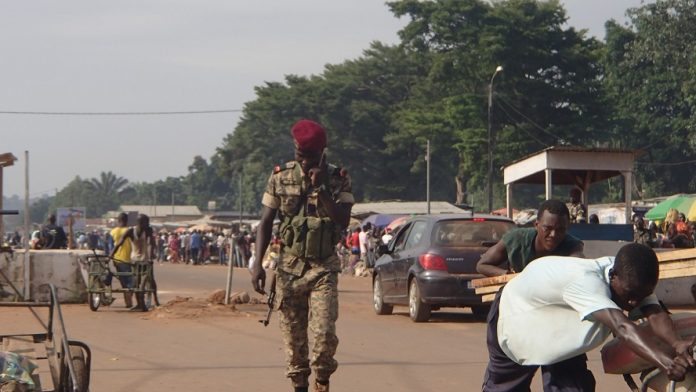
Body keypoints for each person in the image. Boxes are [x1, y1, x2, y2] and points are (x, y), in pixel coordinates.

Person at [482, 243, 696, 391]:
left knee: (574, 388)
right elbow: (623, 328)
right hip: (516, 315)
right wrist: (665, 363)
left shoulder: (634, 276)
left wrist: (677, 343)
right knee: (507, 387)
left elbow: (656, 314)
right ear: (613, 276)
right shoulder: (587, 283)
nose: (634, 303)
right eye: (630, 296)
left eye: (640, 296)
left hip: (566, 323)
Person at [251, 119, 354, 392]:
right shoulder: (279, 177)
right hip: (289, 269)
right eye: (300, 155)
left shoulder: (338, 179)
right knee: (294, 344)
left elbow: (343, 220)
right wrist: (257, 265)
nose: (304, 162)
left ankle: (322, 382)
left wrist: (321, 189)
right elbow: (265, 223)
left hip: (323, 268)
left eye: (309, 157)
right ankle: (300, 387)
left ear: (322, 152)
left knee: (323, 337)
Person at [477, 199, 584, 277]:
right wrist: (508, 276)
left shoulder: (573, 245)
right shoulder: (516, 239)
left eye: (560, 230)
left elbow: (578, 263)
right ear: (536, 225)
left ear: (567, 228)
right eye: (547, 228)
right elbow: (482, 265)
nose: (553, 234)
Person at [111, 214, 157, 312]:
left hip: (146, 259)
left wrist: (150, 257)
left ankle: (156, 300)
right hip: (135, 259)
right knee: (136, 282)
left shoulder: (148, 230)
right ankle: (139, 304)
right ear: (141, 223)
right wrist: (111, 255)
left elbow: (150, 244)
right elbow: (119, 243)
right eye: (146, 222)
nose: (148, 224)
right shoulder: (130, 231)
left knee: (151, 279)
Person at [110, 212, 135, 308]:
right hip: (126, 258)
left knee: (123, 280)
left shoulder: (113, 231)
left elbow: (110, 245)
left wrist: (110, 255)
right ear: (126, 220)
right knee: (130, 281)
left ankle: (127, 301)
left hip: (116, 258)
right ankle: (128, 300)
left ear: (118, 220)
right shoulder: (129, 231)